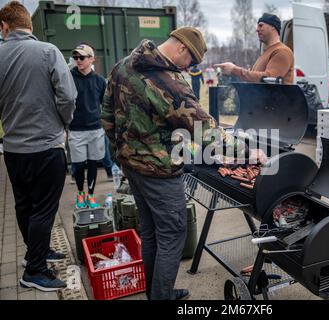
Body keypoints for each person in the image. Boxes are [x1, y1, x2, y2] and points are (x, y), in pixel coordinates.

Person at [102, 27, 266, 300]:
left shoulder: (123, 65)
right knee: (172, 235)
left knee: (152, 232)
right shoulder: (168, 82)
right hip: (159, 173)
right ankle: (161, 295)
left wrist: (122, 152)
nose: (191, 66)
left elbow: (106, 115)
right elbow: (206, 133)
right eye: (192, 60)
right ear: (181, 47)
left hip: (131, 166)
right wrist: (249, 152)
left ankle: (157, 292)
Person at [0, 1, 77, 291]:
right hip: (46, 148)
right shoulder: (47, 52)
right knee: (44, 210)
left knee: (24, 205)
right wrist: (63, 124)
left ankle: (38, 252)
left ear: (5, 27)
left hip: (13, 150)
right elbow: (68, 97)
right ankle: (34, 270)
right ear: (29, 25)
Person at [69, 43, 107, 209]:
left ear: (92, 59)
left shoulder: (99, 81)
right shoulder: (69, 77)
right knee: (78, 165)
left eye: (82, 57)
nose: (78, 60)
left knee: (93, 164)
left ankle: (91, 196)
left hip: (95, 130)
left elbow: (105, 106)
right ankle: (80, 193)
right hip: (75, 130)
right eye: (76, 57)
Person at [215, 13, 294, 84]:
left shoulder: (282, 51)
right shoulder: (266, 52)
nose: (257, 29)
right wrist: (231, 73)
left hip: (277, 100)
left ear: (273, 27)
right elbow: (252, 78)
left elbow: (269, 78)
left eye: (261, 25)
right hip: (263, 100)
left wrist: (234, 70)